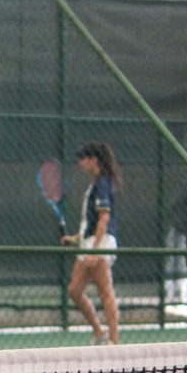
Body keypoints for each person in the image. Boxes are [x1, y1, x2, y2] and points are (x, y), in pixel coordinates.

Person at [61, 140, 122, 346]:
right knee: (74, 291)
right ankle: (99, 332)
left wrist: (96, 250)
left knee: (105, 291)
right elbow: (90, 222)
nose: (79, 162)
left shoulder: (103, 183)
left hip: (101, 242)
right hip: (89, 242)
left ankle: (114, 342)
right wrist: (74, 239)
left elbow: (104, 218)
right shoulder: (95, 185)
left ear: (93, 160)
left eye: (82, 158)